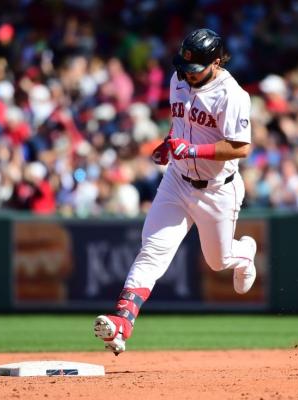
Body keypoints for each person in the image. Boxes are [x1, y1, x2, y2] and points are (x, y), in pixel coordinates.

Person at [93, 28, 257, 355]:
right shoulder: (178, 79)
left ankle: (245, 253)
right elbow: (180, 123)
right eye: (184, 66)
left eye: (195, 69)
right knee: (152, 249)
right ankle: (123, 321)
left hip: (217, 191)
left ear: (216, 62)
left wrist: (193, 150)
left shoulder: (232, 95)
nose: (187, 73)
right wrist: (170, 146)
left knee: (218, 260)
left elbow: (240, 148)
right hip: (178, 181)